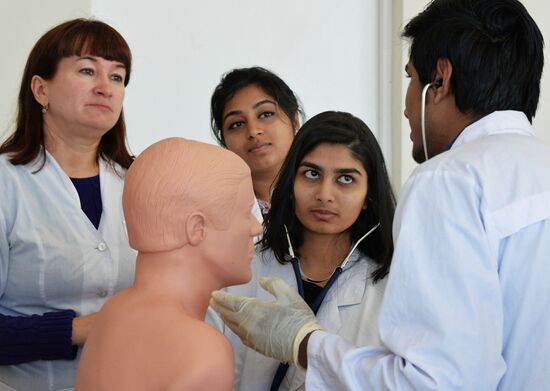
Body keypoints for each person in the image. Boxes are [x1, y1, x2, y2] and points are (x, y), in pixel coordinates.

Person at [210, 0, 550, 389]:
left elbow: (434, 383)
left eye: (410, 79)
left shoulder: (449, 179)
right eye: (311, 174)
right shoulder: (539, 171)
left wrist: (305, 345)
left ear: (440, 81)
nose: (407, 107)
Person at [0, 19, 136, 390]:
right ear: (41, 90)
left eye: (117, 77)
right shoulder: (6, 183)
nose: (104, 87)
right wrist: (79, 329)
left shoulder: (137, 182)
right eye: (87, 70)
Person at [215, 111, 395, 391]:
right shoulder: (242, 270)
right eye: (311, 174)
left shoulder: (388, 291)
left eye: (345, 179)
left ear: (368, 197)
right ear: (290, 184)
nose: (324, 194)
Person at [76, 137, 262, 390]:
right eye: (245, 212)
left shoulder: (113, 312)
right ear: (197, 228)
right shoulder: (203, 352)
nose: (256, 227)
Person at [210, 66, 304, 216]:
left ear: (294, 121)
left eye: (265, 114)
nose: (253, 131)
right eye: (237, 124)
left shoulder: (325, 197)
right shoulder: (213, 214)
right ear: (224, 141)